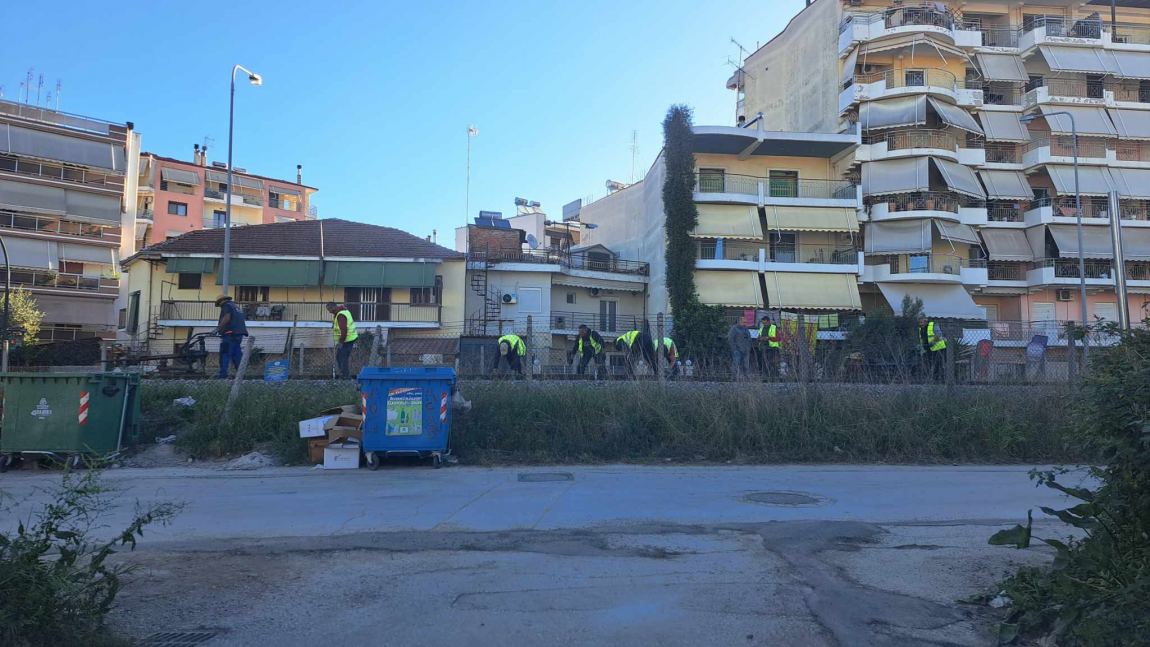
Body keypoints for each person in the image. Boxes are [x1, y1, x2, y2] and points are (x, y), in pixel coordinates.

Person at [214, 295, 247, 379]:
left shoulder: (226, 305)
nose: (220, 306)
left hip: (229, 334)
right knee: (237, 355)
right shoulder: (236, 307)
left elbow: (227, 317)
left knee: (225, 354)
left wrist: (217, 329)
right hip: (239, 334)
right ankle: (241, 375)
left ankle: (223, 375)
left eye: (219, 304)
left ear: (221, 301)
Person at [327, 302, 359, 378]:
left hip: (346, 339)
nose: (329, 312)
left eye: (329, 309)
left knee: (342, 358)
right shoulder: (342, 312)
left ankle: (345, 377)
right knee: (340, 357)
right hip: (348, 338)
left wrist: (341, 342)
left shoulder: (341, 315)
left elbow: (344, 330)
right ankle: (344, 375)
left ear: (332, 308)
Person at [919, 315, 947, 382]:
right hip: (928, 349)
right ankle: (934, 380)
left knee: (938, 365)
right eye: (919, 322)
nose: (920, 324)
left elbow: (939, 335)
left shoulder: (933, 325)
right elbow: (922, 339)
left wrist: (933, 342)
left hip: (939, 348)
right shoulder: (920, 329)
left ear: (926, 321)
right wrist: (921, 347)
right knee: (930, 365)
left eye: (922, 322)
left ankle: (941, 380)